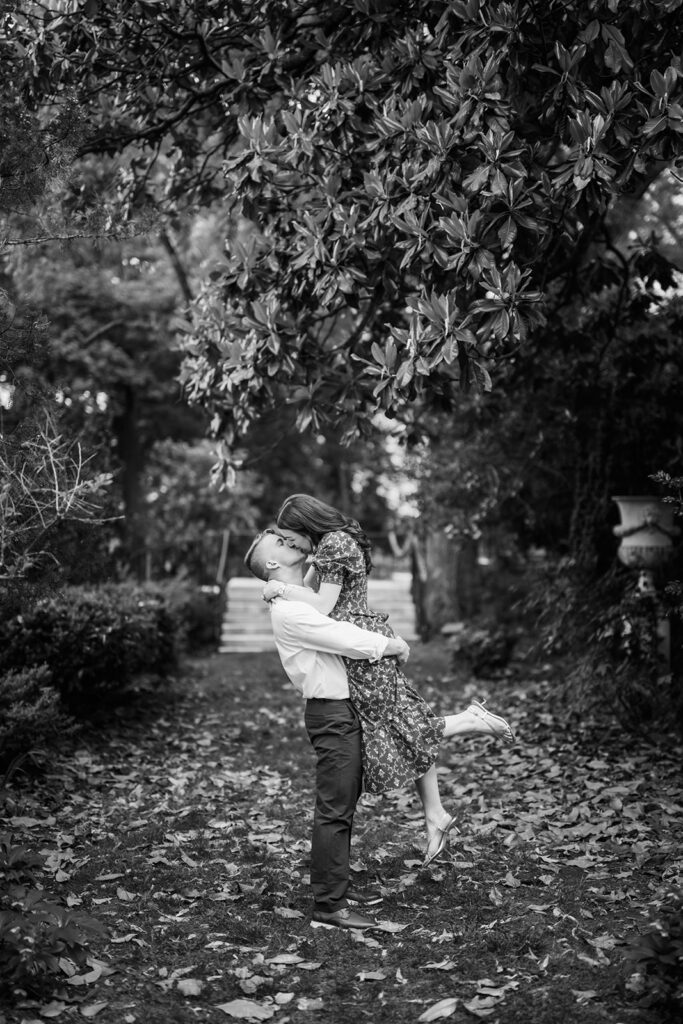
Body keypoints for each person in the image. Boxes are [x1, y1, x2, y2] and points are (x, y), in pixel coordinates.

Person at [265, 493, 515, 867]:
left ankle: (468, 722)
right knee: (402, 725)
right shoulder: (334, 542)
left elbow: (321, 606)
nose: (292, 544)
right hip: (357, 644)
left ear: (305, 524)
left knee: (400, 727)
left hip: (361, 650)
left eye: (291, 536)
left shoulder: (334, 545)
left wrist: (280, 588)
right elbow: (320, 597)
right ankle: (435, 815)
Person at [244, 526, 412, 932]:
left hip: (339, 711)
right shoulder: (291, 611)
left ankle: (334, 889)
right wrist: (392, 645)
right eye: (280, 544)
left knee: (343, 807)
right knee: (334, 810)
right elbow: (344, 637)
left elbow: (326, 605)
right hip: (331, 715)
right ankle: (329, 906)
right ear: (272, 564)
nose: (289, 543)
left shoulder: (295, 600)